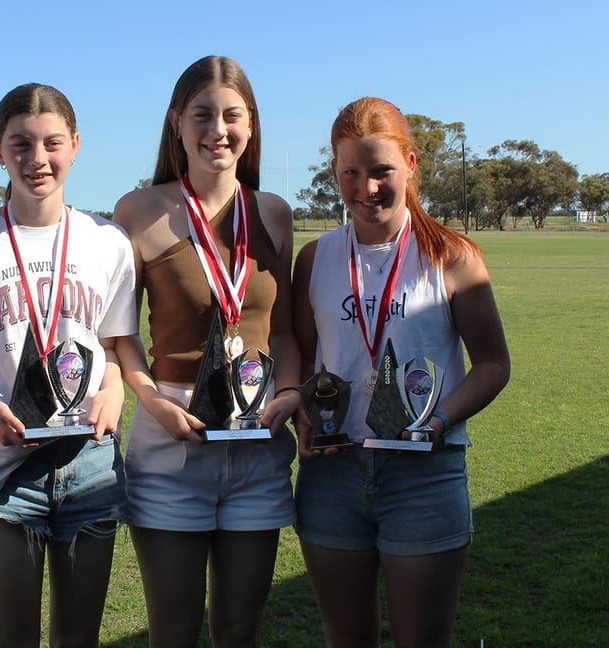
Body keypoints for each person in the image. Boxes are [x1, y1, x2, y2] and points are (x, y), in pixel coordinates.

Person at [0, 83, 137, 648]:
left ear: (76, 145)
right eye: (20, 143)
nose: (36, 159)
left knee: (79, 639)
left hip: (88, 459)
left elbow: (114, 344)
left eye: (51, 143)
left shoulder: (108, 240)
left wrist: (115, 388)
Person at [291, 96, 511, 648]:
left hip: (425, 474)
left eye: (382, 171)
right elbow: (299, 353)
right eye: (351, 173)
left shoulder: (452, 256)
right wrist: (302, 419)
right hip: (333, 475)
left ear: (410, 165)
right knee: (346, 638)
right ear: (335, 173)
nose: (366, 188)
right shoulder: (315, 259)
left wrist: (436, 420)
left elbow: (492, 364)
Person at [113, 55, 300, 647]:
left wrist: (290, 394)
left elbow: (288, 330)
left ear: (251, 125)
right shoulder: (139, 210)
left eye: (232, 116)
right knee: (173, 630)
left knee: (240, 630)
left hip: (258, 437)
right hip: (174, 439)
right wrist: (151, 403)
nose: (217, 130)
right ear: (176, 122)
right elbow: (121, 336)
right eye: (202, 115)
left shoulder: (272, 213)